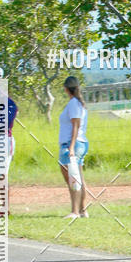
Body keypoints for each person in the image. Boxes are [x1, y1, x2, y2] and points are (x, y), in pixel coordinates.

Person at [58, 75, 89, 220]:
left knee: (73, 179)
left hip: (72, 144)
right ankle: (82, 210)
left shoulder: (73, 104)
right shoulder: (78, 103)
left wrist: (70, 148)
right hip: (78, 143)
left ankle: (75, 211)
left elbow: (75, 125)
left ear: (66, 88)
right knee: (78, 178)